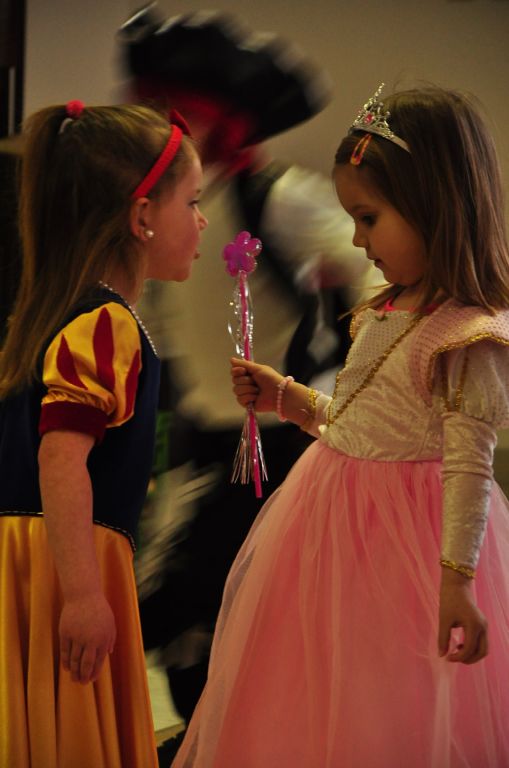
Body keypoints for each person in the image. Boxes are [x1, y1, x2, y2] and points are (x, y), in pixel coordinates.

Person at [173, 84, 509, 767]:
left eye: (369, 218)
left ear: (435, 206)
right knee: (312, 681)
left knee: (383, 696)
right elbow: (364, 424)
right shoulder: (385, 308)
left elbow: (468, 465)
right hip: (328, 524)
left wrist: (456, 582)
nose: (356, 239)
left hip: (407, 548)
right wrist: (292, 400)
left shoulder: (466, 335)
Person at [117, 6, 372, 725]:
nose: (161, 127)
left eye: (177, 113)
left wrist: (353, 381)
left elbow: (376, 273)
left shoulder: (278, 197)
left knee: (182, 602)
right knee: (198, 624)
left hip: (283, 443)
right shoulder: (172, 212)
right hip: (210, 435)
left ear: (222, 123)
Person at [0, 100, 207, 768]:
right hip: (66, 561)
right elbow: (61, 458)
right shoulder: (106, 322)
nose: (203, 220)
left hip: (45, 557)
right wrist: (85, 595)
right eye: (192, 202)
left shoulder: (60, 309)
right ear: (142, 216)